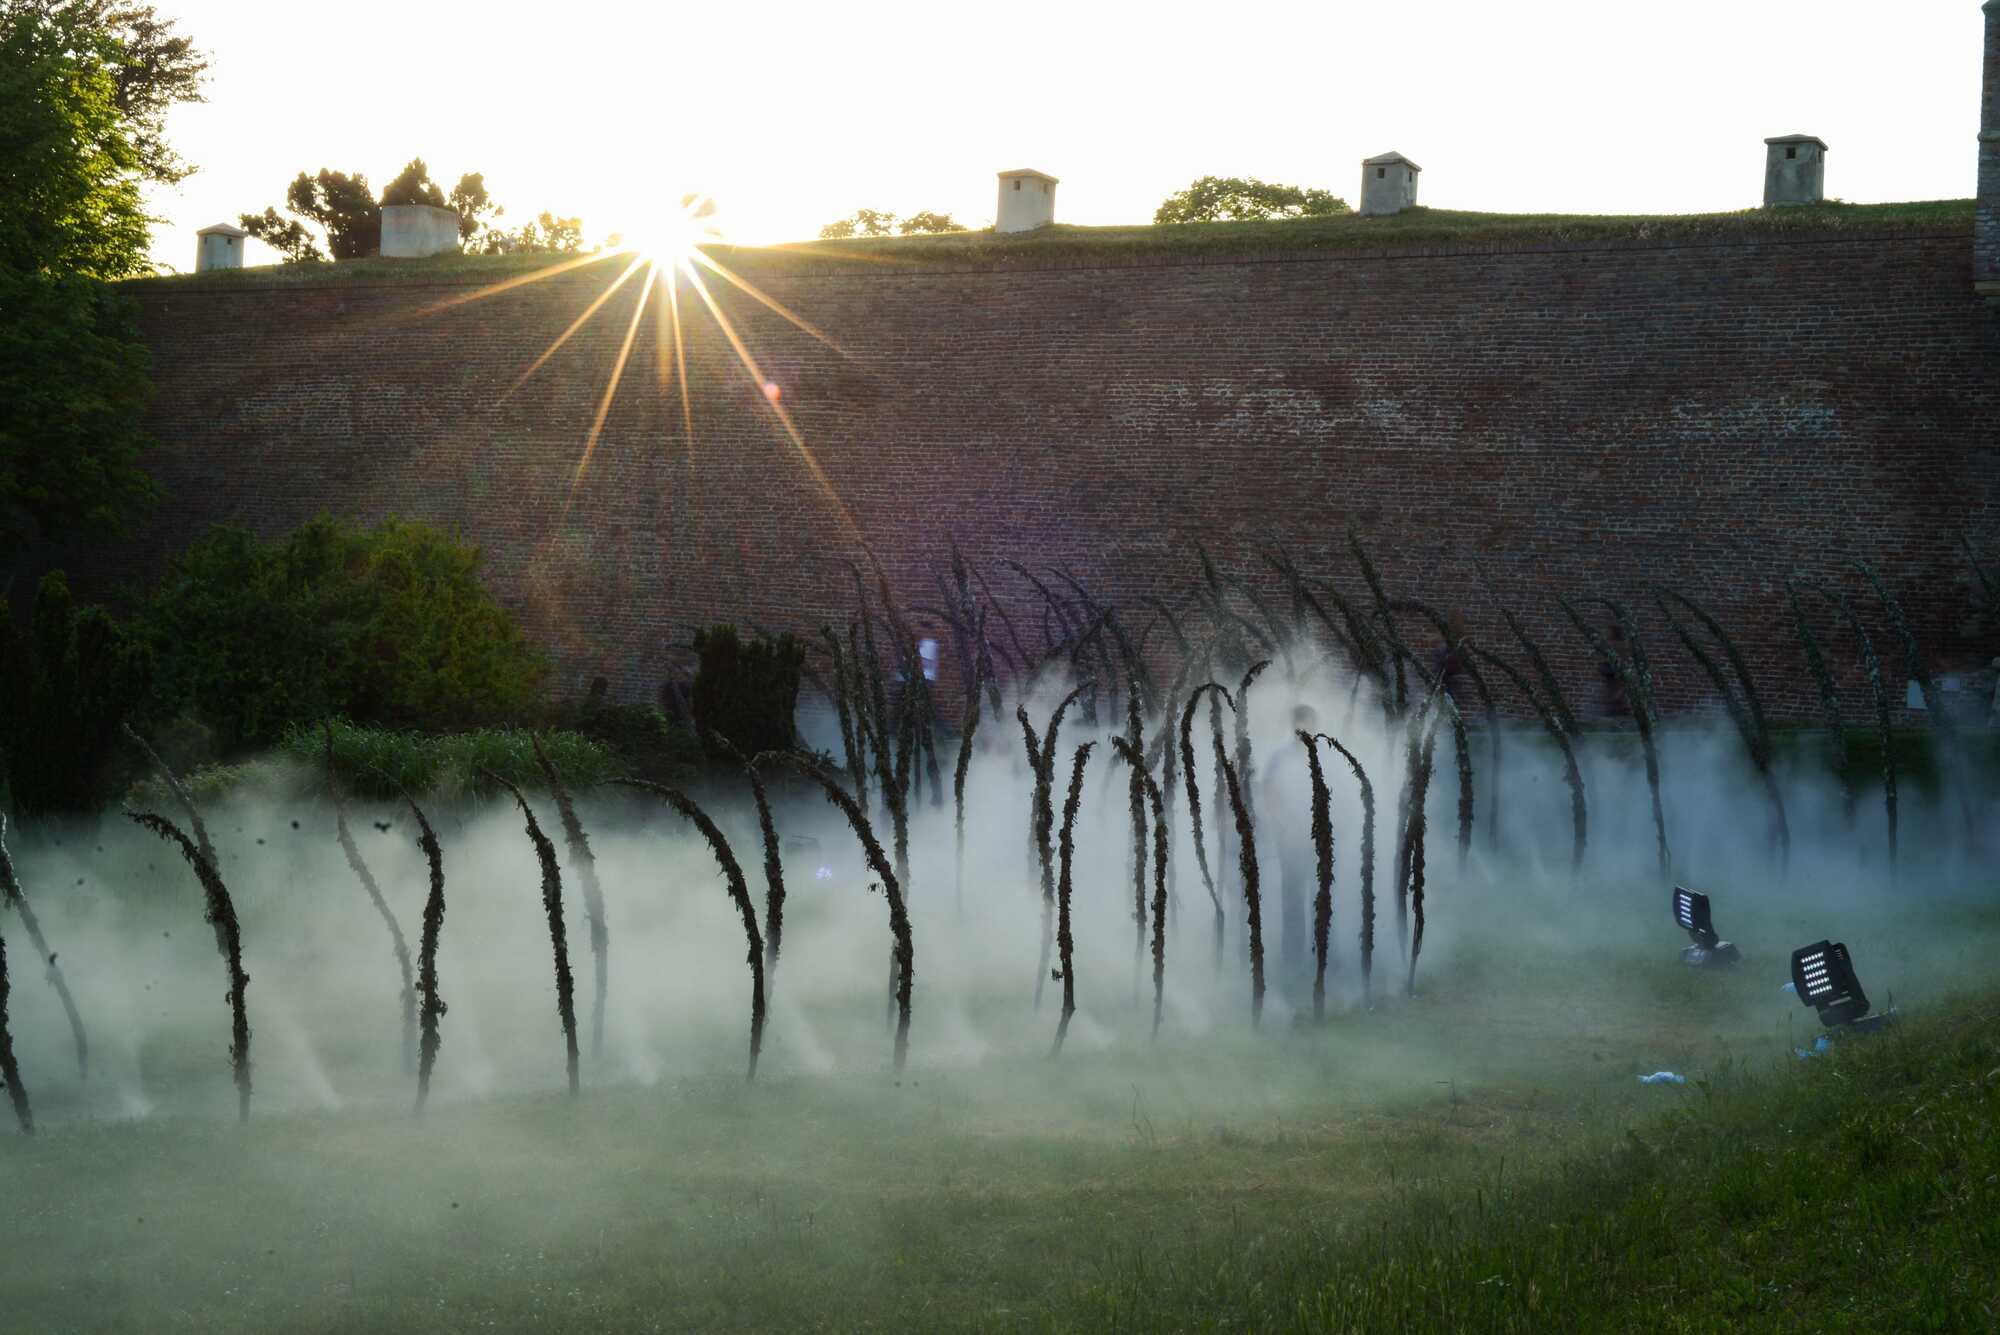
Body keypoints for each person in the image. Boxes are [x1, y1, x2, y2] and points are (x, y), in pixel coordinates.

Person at [1260, 703, 1320, 977]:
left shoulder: (1325, 755)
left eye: (1308, 723)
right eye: (1300, 723)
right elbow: (1269, 793)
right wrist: (1283, 826)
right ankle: (1293, 959)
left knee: (1322, 897)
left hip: (1321, 841)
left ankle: (1322, 953)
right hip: (1291, 841)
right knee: (1293, 899)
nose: (1304, 728)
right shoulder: (1280, 758)